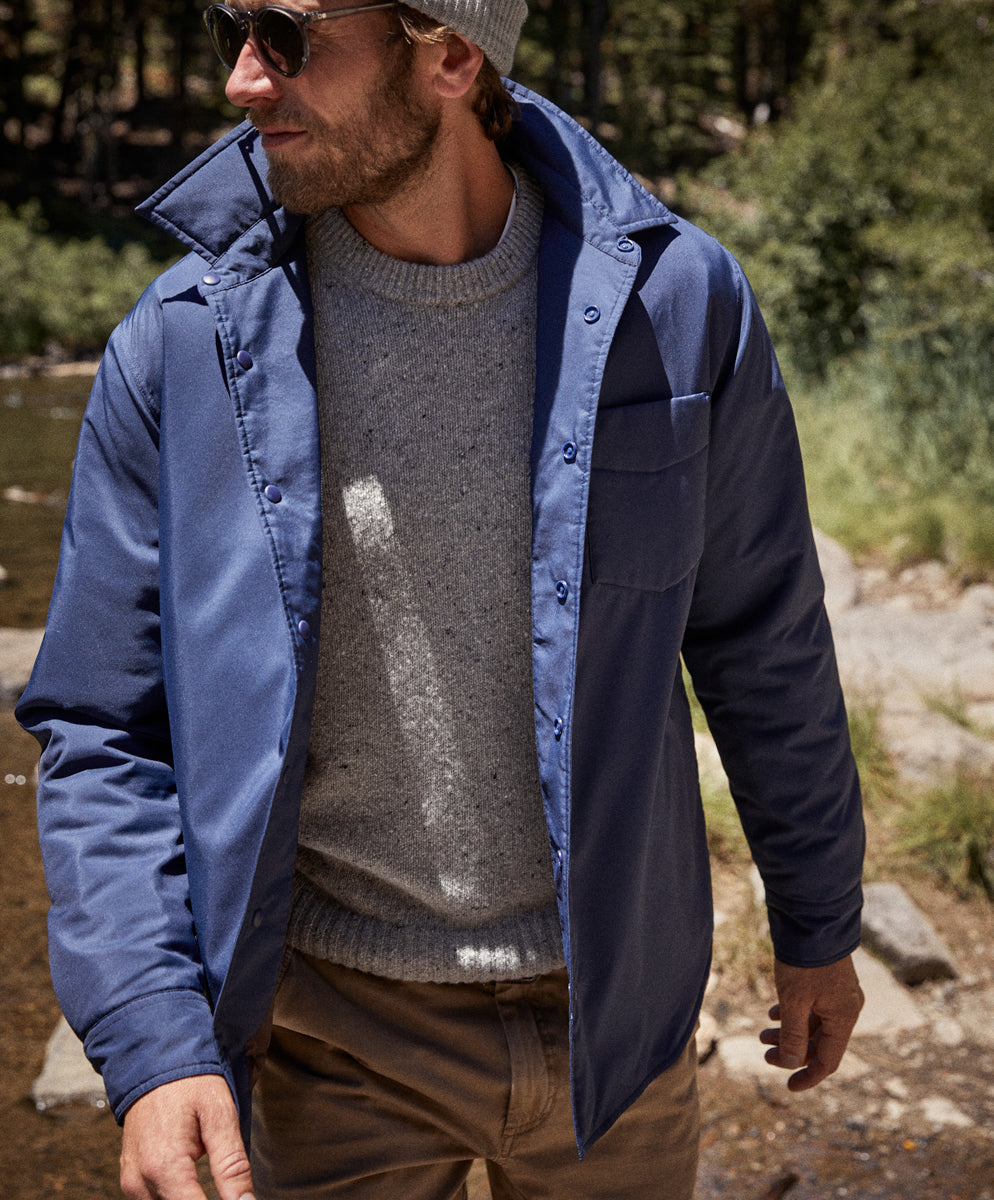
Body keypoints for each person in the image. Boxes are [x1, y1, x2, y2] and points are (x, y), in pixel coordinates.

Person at [17, 1, 865, 1197]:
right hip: (327, 1040)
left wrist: (818, 923)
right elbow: (106, 728)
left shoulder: (676, 304)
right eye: (229, 29)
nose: (243, 81)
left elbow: (762, 638)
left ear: (452, 56)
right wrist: (157, 1043)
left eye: (287, 35)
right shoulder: (183, 345)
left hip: (618, 1021)